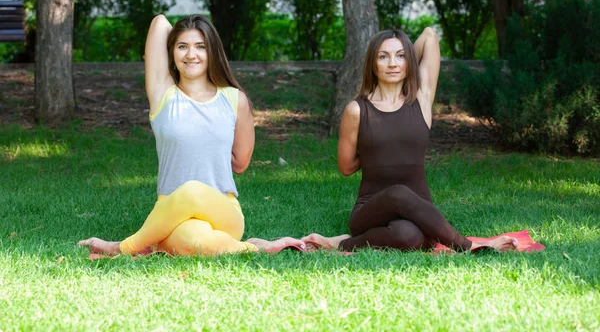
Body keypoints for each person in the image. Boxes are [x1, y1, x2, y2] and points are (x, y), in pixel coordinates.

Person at [79, 14, 304, 256]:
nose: (191, 55)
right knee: (193, 241)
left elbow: (240, 163)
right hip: (171, 212)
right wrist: (186, 27)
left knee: (192, 190)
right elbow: (159, 23)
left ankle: (122, 248)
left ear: (213, 52)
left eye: (201, 47)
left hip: (222, 209)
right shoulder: (162, 94)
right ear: (171, 54)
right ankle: (256, 248)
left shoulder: (235, 99)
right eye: (182, 46)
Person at [302, 28, 517, 253]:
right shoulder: (356, 110)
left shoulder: (421, 100)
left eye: (401, 56)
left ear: (409, 62)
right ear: (372, 64)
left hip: (420, 211)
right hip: (370, 211)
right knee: (398, 193)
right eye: (383, 56)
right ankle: (469, 246)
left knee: (409, 237)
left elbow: (429, 36)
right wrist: (373, 151)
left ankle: (341, 243)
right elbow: (346, 167)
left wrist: (404, 60)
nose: (393, 63)